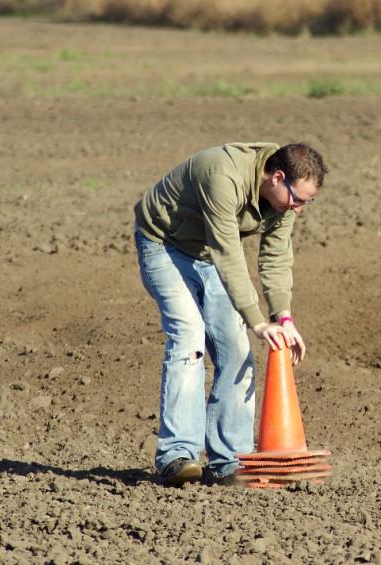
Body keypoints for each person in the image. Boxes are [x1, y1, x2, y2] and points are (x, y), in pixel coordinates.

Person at [133, 142, 328, 486]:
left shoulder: (282, 201)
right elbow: (228, 251)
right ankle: (177, 456)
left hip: (208, 253)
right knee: (189, 336)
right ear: (278, 177)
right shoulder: (222, 175)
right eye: (297, 200)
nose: (298, 210)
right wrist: (256, 320)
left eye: (306, 203)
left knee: (236, 350)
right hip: (165, 244)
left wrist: (283, 317)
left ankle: (229, 461)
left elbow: (276, 257)